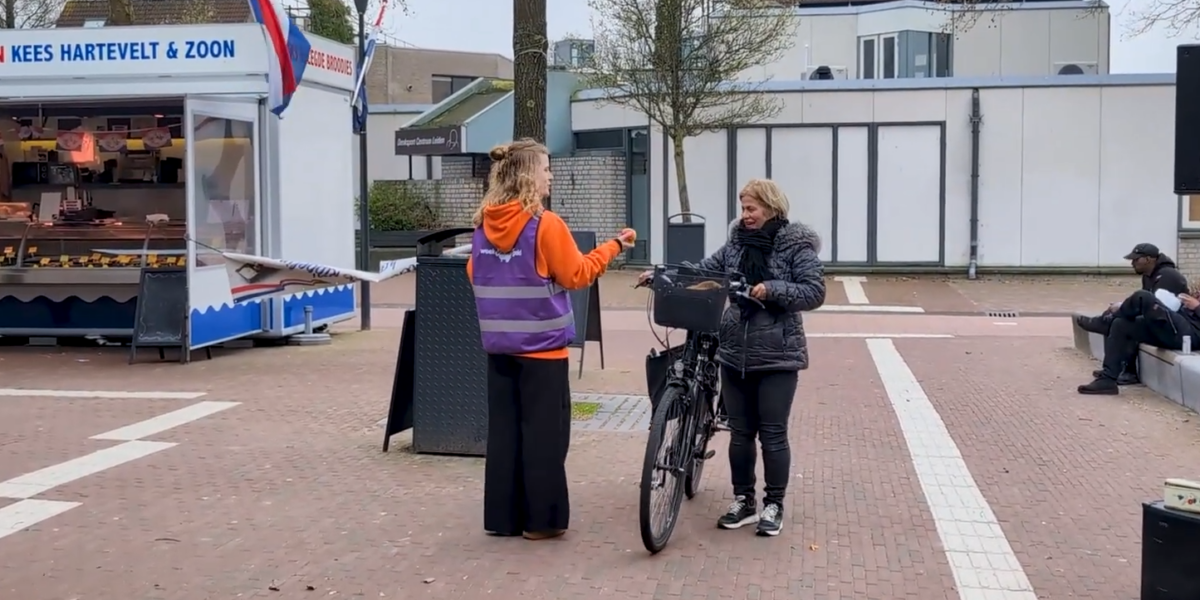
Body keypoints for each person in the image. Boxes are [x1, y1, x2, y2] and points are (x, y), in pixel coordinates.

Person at [466, 139, 636, 540]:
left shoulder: (482, 224)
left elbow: (475, 274)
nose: (551, 176)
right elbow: (576, 274)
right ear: (528, 176)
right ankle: (541, 522)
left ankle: (504, 519)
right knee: (544, 435)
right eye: (545, 169)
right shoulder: (545, 225)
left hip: (500, 348)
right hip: (543, 349)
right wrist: (613, 247)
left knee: (505, 434)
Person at [644, 178, 825, 537]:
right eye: (742, 209)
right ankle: (743, 500)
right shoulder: (736, 246)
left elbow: (814, 290)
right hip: (734, 352)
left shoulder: (795, 246)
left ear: (771, 207)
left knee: (772, 434)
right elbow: (705, 271)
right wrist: (663, 275)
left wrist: (773, 289)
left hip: (777, 355)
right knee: (740, 434)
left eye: (751, 209)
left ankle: (774, 503)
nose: (745, 216)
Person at [1075, 243, 1188, 384]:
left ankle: (1125, 369)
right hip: (1157, 320)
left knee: (1122, 321)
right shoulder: (1148, 276)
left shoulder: (1168, 276)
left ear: (1148, 259)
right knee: (1118, 317)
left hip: (1172, 327)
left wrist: (1123, 308)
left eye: (1136, 259)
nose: (1132, 263)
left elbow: (1163, 307)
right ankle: (1118, 369)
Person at [1077, 288, 1200, 395]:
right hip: (1181, 323)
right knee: (1121, 325)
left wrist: (1197, 306)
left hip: (1190, 333)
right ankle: (1107, 380)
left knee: (1143, 296)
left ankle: (1105, 321)